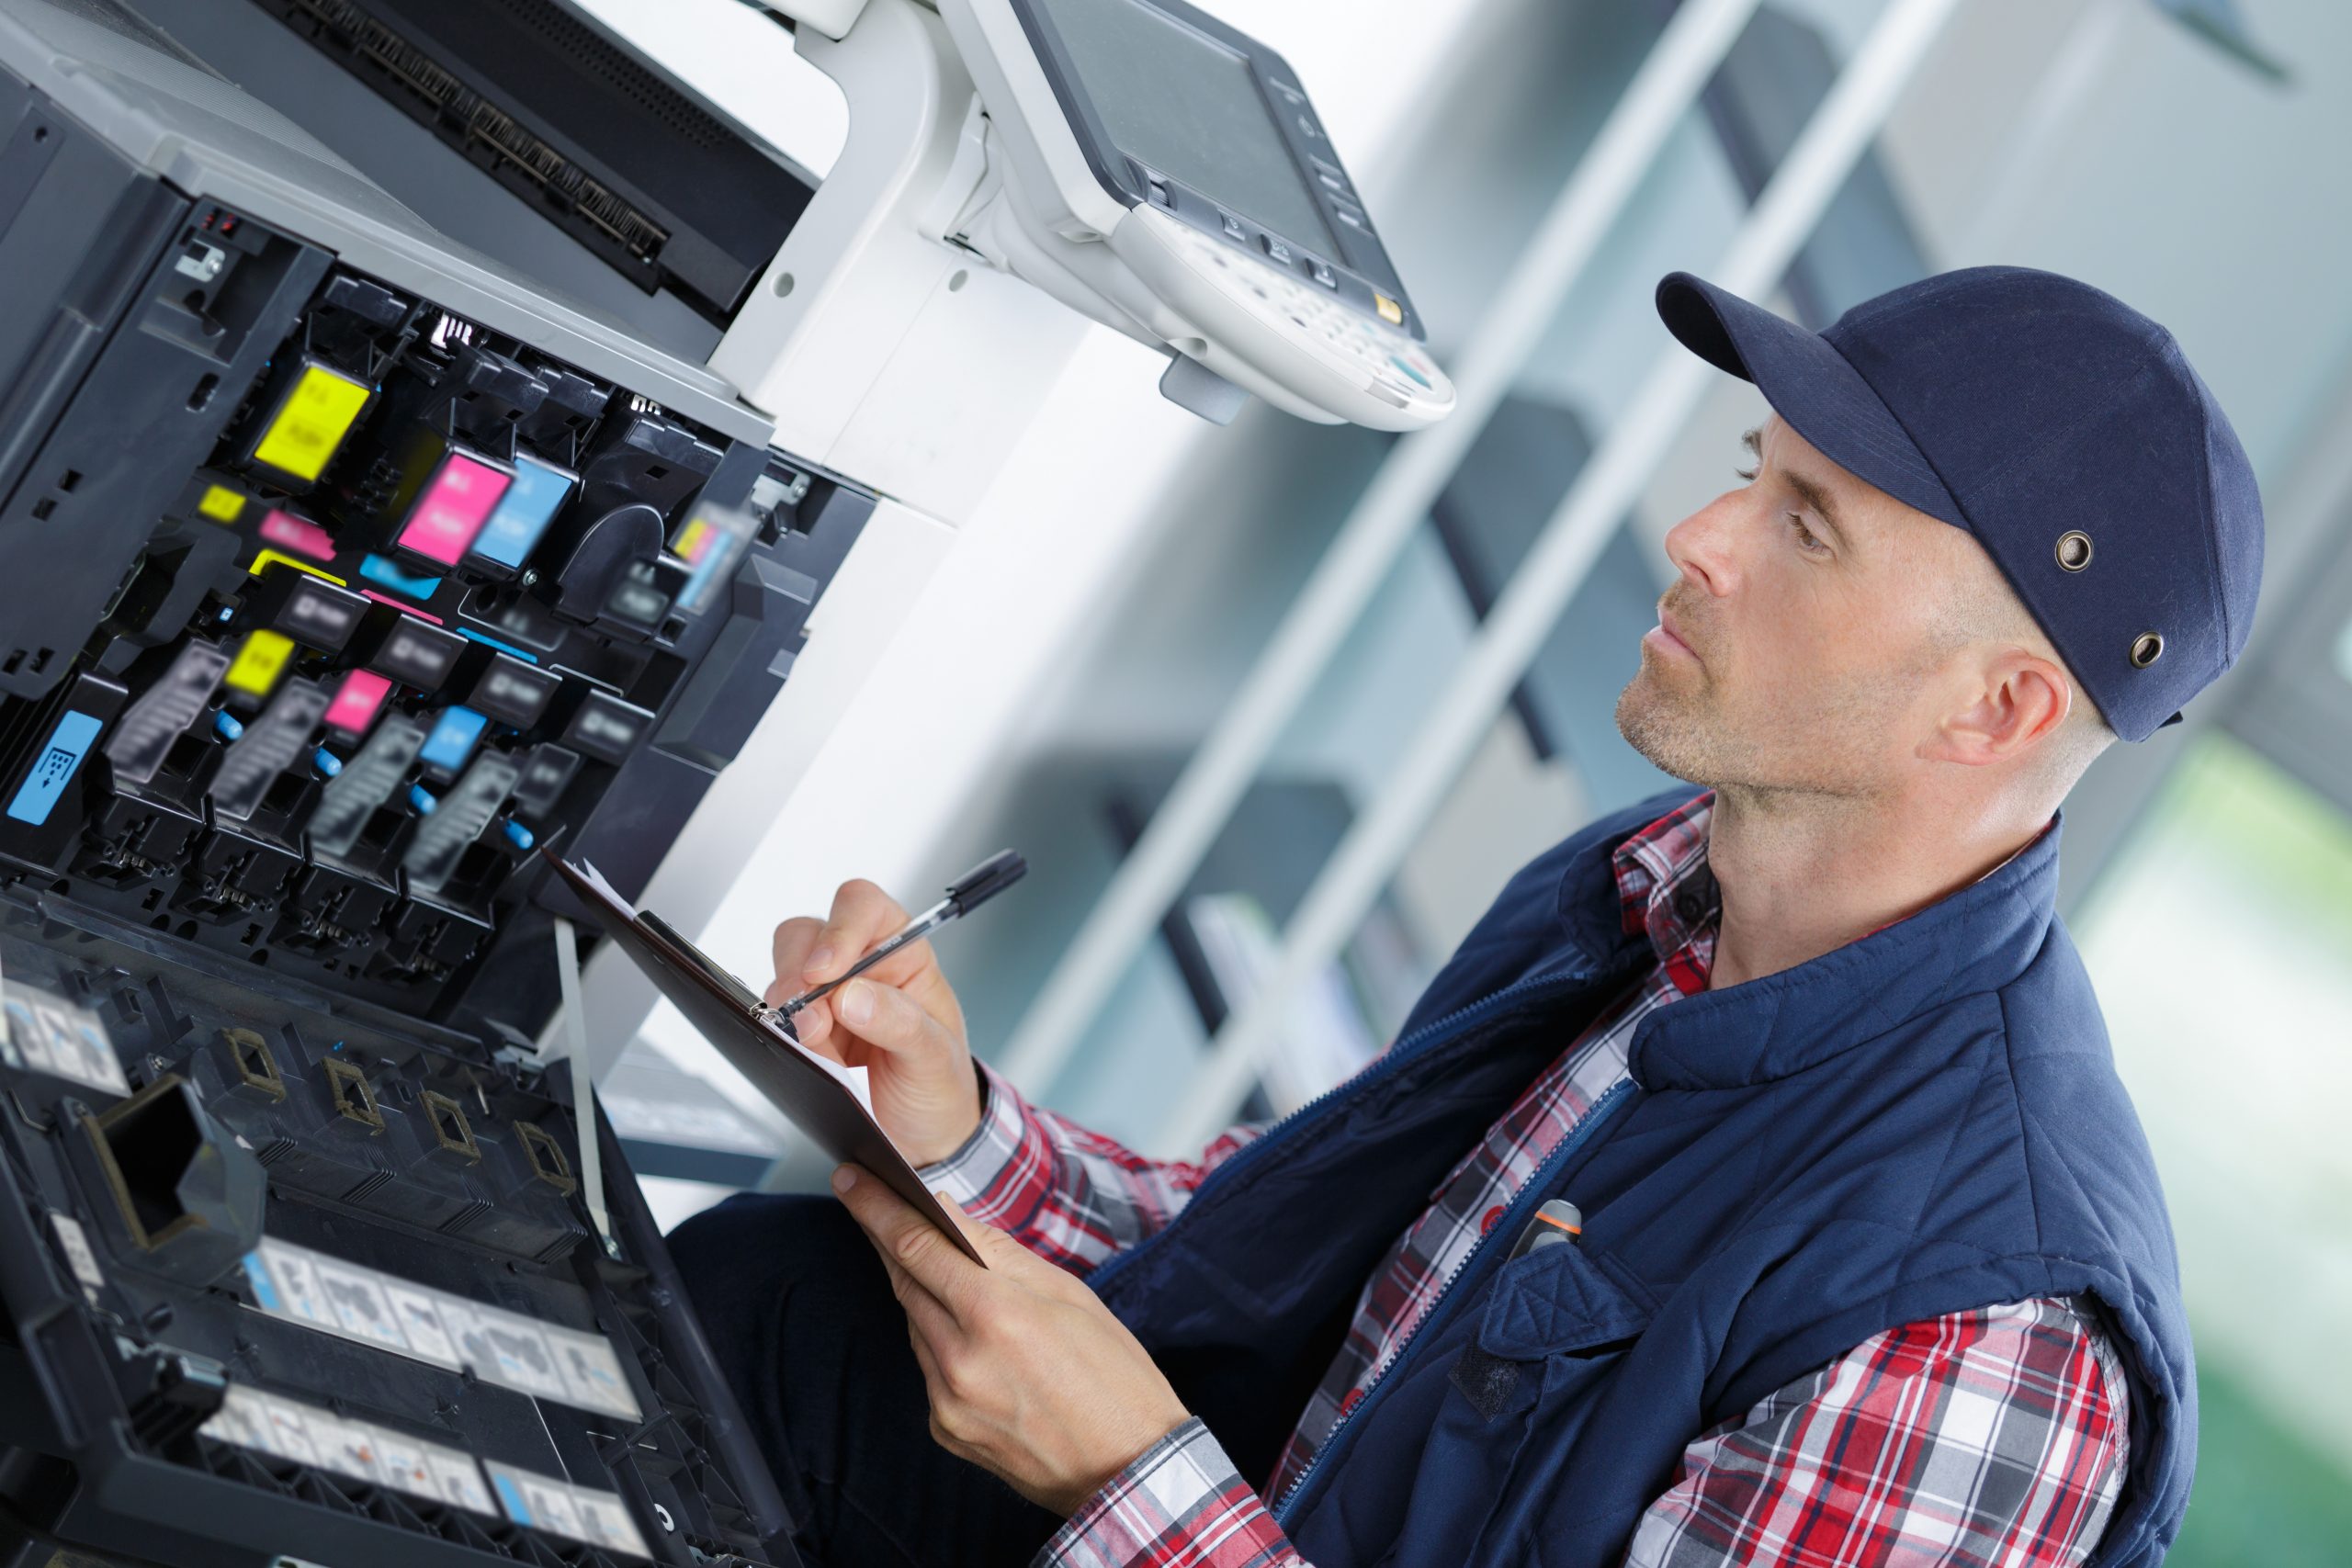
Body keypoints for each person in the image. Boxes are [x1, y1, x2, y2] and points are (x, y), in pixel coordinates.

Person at [669, 266, 2263, 1568]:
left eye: (1809, 527)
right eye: (1747, 478)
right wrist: (964, 1139)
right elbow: (1302, 1271)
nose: (1697, 540)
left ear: (1995, 713)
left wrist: (1121, 1476)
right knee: (783, 1297)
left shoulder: (1983, 1338)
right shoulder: (1662, 891)